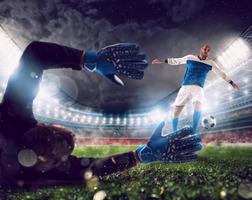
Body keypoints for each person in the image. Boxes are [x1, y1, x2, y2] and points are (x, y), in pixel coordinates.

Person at [0, 41, 202, 187]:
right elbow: (36, 54)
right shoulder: (16, 119)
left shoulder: (15, 117)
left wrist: (139, 155)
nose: (62, 161)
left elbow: (95, 166)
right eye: (59, 159)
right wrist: (87, 59)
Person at [152, 44, 239, 133]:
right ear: (201, 49)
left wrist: (231, 82)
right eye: (205, 49)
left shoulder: (210, 63)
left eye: (208, 50)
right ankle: (174, 133)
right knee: (176, 111)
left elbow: (221, 73)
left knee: (198, 106)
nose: (206, 51)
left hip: (198, 88)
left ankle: (193, 131)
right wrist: (162, 61)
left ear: (209, 53)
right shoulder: (190, 57)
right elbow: (177, 61)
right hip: (185, 87)